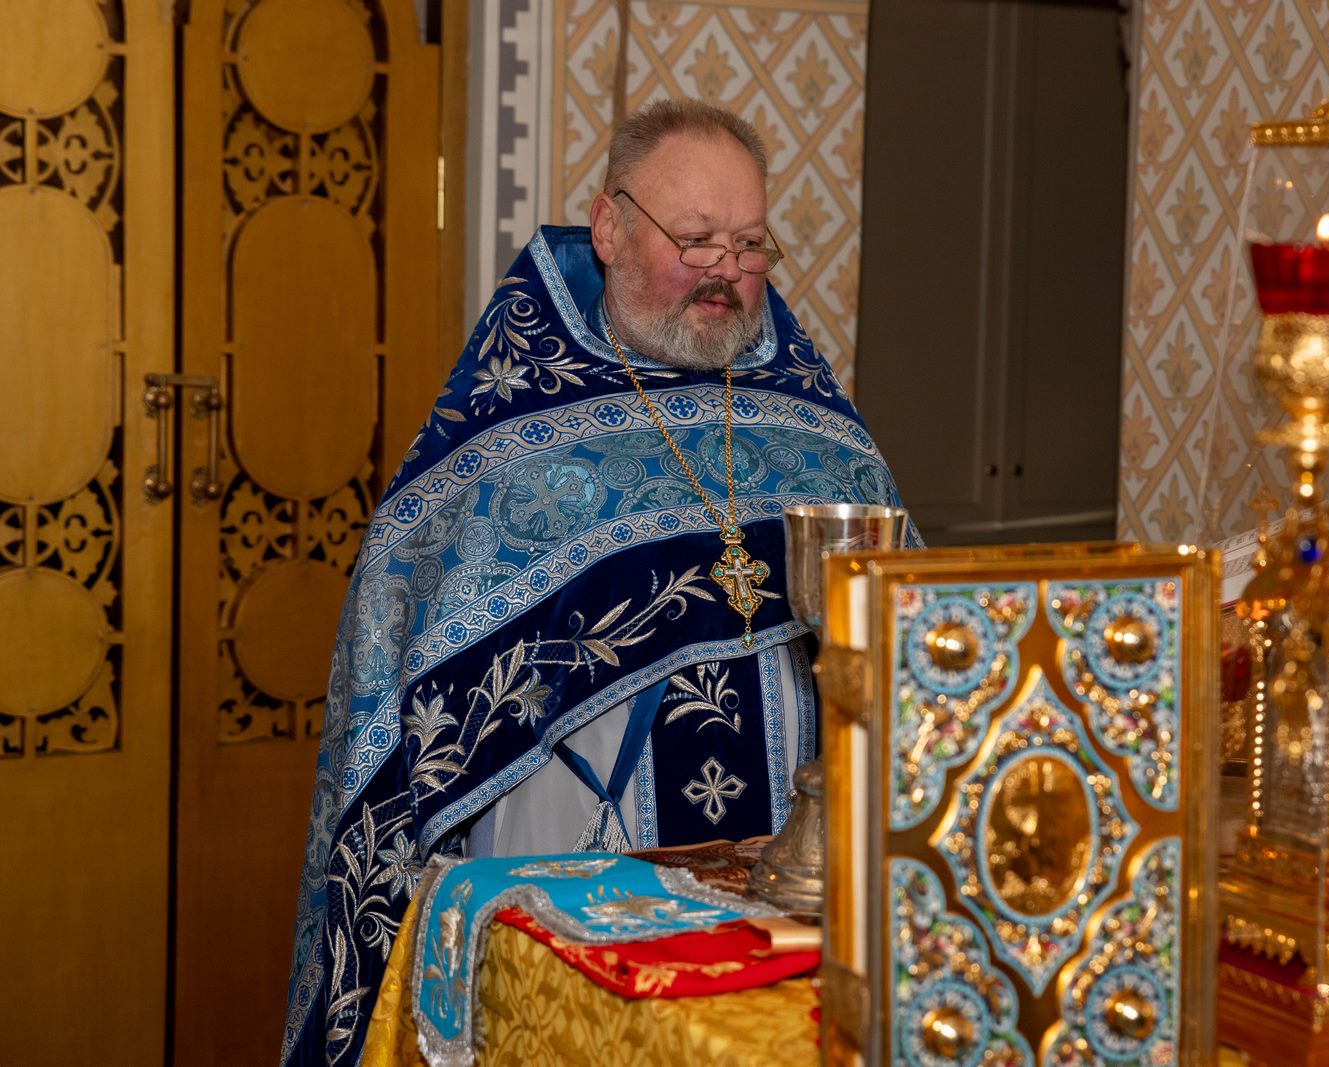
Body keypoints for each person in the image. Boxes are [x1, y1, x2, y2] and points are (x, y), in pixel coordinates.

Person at [280, 99, 911, 1067]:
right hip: (578, 858)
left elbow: (910, 636)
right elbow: (414, 684)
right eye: (695, 239)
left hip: (798, 873)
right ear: (609, 228)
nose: (726, 269)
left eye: (749, 244)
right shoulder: (507, 443)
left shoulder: (821, 434)